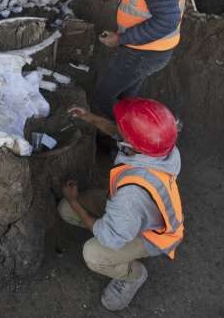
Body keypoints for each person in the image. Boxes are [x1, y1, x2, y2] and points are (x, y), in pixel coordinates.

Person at [61, 98, 184, 311]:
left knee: (93, 253)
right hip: (135, 213)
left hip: (151, 234)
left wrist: (74, 200)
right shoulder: (159, 146)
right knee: (65, 210)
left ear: (134, 146)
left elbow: (109, 238)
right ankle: (117, 230)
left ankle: (133, 276)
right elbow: (119, 133)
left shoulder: (131, 196)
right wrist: (87, 116)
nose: (120, 132)